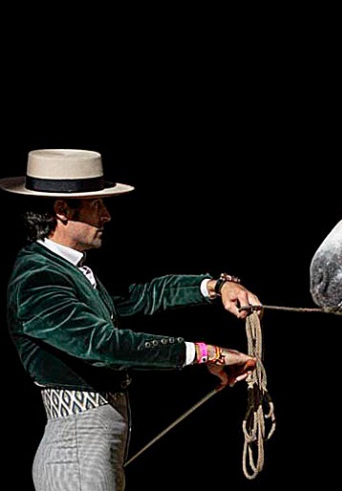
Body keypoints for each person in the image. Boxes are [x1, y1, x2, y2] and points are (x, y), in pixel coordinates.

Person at [0, 148, 261, 491]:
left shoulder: (66, 270)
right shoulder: (38, 279)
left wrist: (213, 287)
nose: (106, 216)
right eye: (97, 206)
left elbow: (139, 298)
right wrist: (205, 353)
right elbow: (104, 345)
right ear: (62, 211)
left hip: (91, 450)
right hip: (76, 454)